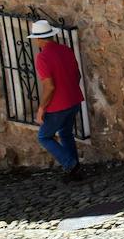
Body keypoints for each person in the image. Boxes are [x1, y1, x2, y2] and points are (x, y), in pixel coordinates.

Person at [29, 19, 84, 180]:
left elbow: (49, 86)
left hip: (58, 107)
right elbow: (77, 75)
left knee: (44, 136)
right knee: (66, 133)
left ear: (39, 39)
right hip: (74, 100)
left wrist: (41, 109)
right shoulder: (66, 50)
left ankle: (70, 163)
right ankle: (74, 169)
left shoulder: (42, 57)